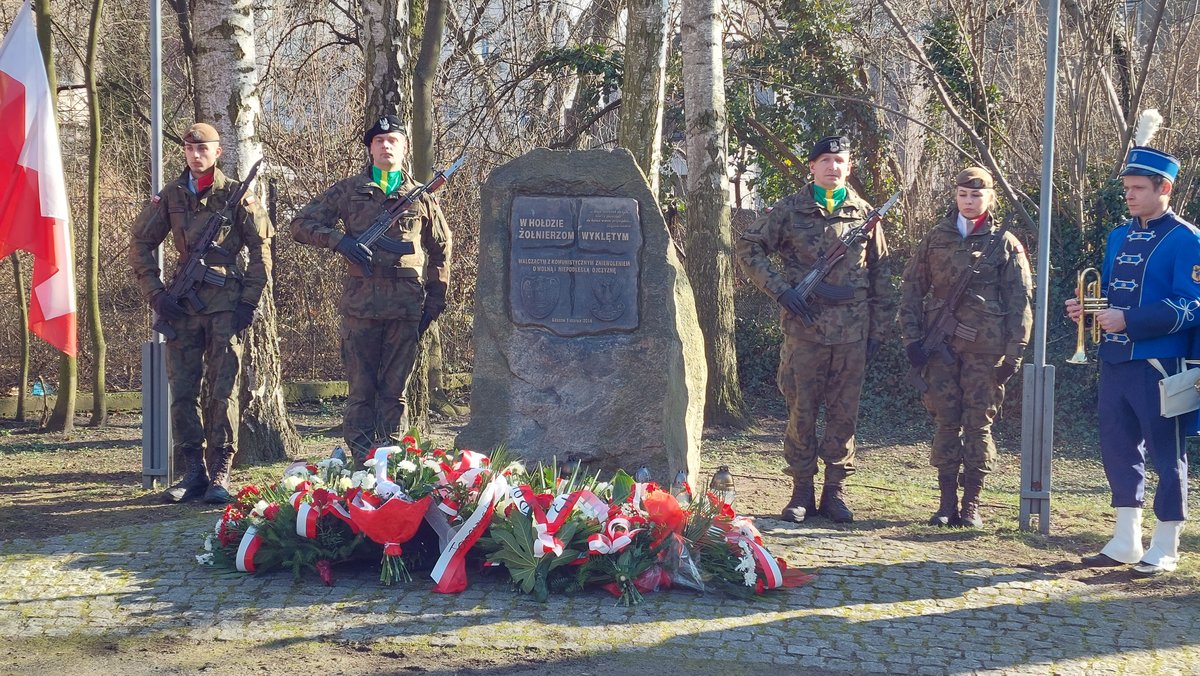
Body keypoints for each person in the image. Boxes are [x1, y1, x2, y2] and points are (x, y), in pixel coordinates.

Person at [736, 135, 893, 523]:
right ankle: (801, 490)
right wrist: (781, 290)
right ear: (811, 166)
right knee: (801, 412)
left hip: (851, 333)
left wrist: (878, 333)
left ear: (849, 167)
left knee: (843, 415)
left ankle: (835, 493)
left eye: (839, 160)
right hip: (804, 331)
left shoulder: (865, 215)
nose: (832, 167)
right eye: (825, 160)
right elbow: (748, 248)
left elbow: (881, 276)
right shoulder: (790, 210)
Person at [1068, 113, 1200, 577]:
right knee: (1118, 447)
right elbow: (1115, 293)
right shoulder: (1118, 235)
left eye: (1138, 187)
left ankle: (1166, 543)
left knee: (1168, 454)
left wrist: (1131, 319)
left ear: (1164, 189)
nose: (1128, 193)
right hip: (1115, 357)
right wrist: (1089, 307)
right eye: (1127, 186)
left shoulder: (1187, 239)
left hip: (1160, 362)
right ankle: (1126, 537)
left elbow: (1194, 305)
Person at [290, 115, 452, 465]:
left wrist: (435, 301)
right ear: (370, 148)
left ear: (406, 147)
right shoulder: (349, 190)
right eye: (379, 140)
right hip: (360, 307)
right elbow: (300, 224)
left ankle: (391, 461)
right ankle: (362, 461)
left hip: (406, 309)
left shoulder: (420, 196)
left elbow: (441, 248)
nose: (386, 145)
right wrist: (339, 242)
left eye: (393, 140)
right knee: (361, 391)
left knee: (395, 393)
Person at [129, 122, 274, 504]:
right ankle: (192, 471)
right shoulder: (173, 195)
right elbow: (141, 242)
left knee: (222, 391)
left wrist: (248, 301)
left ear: (218, 151)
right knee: (183, 392)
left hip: (226, 305)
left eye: (203, 149)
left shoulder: (236, 196)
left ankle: (221, 471)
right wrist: (156, 294)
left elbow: (262, 251)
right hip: (182, 306)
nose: (196, 155)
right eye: (190, 149)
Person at [898, 167, 1033, 528]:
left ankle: (971, 504)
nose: (969, 201)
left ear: (990, 198)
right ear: (955, 196)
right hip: (940, 346)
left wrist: (1015, 351)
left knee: (977, 424)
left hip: (985, 350)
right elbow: (911, 288)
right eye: (963, 195)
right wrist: (912, 339)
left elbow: (1020, 300)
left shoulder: (1004, 242)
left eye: (976, 195)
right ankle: (945, 504)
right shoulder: (935, 238)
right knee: (945, 421)